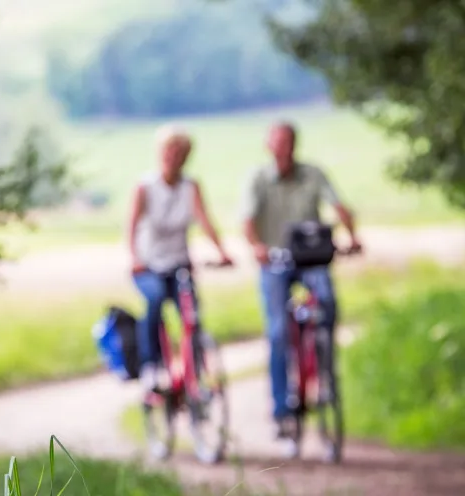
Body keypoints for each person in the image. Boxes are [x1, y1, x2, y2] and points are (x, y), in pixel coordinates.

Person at [241, 122, 362, 454]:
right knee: (279, 333)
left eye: (289, 143)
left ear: (296, 145)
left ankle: (326, 378)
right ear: (269, 146)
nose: (284, 150)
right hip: (276, 261)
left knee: (326, 306)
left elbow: (339, 205)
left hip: (311, 258)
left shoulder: (312, 174)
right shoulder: (259, 178)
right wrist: (257, 246)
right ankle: (282, 413)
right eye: (278, 144)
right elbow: (247, 221)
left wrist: (351, 236)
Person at [128, 126, 233, 393]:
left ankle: (195, 371)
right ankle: (151, 367)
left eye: (178, 153)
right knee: (154, 301)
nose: (173, 157)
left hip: (179, 263)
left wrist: (222, 251)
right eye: (168, 151)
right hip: (149, 264)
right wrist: (134, 257)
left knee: (192, 315)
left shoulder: (190, 187)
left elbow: (204, 219)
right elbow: (132, 226)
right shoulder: (145, 187)